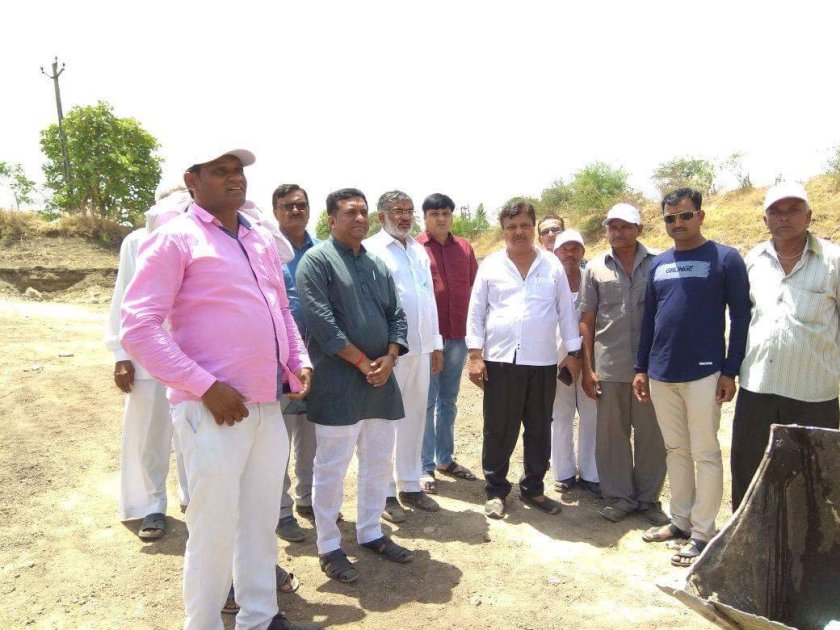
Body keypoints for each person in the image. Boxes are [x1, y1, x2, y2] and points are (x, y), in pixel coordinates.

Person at [121, 147, 316, 630]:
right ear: (192, 180)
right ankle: (203, 622)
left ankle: (260, 616)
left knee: (259, 519)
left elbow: (280, 310)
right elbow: (139, 327)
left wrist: (298, 360)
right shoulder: (175, 238)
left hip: (266, 405)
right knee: (212, 527)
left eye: (239, 171)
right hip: (212, 410)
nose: (235, 179)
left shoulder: (258, 237)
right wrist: (205, 387)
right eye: (220, 171)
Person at [296, 188, 414, 583]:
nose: (360, 218)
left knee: (378, 461)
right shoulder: (317, 261)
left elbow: (397, 315)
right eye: (351, 212)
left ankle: (370, 532)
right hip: (338, 382)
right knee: (331, 467)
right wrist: (364, 363)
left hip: (380, 381)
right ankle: (329, 545)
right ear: (332, 220)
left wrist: (391, 356)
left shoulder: (376, 264)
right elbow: (322, 323)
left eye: (364, 212)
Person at [633, 188, 750, 567]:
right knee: (676, 450)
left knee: (705, 452)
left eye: (685, 216)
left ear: (700, 216)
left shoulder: (726, 259)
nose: (678, 223)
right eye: (670, 218)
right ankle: (680, 521)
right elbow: (649, 321)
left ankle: (703, 532)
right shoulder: (659, 263)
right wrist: (640, 368)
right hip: (661, 372)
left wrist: (730, 370)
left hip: (704, 372)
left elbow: (741, 319)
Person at [466, 201, 582, 519]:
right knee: (498, 429)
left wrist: (573, 353)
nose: (519, 232)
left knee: (539, 428)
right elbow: (476, 311)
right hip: (501, 360)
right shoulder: (491, 265)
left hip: (542, 360)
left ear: (533, 227)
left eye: (525, 225)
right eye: (511, 226)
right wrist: (475, 355)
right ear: (503, 230)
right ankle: (496, 491)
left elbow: (565, 311)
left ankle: (533, 487)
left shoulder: (552, 265)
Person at [731, 182, 840, 509]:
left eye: (793, 209)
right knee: (749, 472)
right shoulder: (753, 260)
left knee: (814, 479)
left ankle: (811, 541)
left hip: (814, 393)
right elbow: (742, 319)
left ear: (809, 216)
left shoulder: (833, 260)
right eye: (775, 211)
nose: (784, 217)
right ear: (765, 220)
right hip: (758, 387)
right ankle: (746, 536)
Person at [104, 187, 191, 540]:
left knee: (192, 430)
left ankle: (192, 498)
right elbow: (123, 296)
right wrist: (120, 355)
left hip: (193, 355)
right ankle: (153, 504)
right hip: (147, 356)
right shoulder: (137, 241)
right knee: (150, 435)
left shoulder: (202, 238)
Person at [579, 203, 668, 525]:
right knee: (612, 437)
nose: (618, 232)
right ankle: (619, 498)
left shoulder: (660, 263)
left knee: (652, 435)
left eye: (625, 226)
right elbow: (587, 320)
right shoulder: (595, 268)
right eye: (612, 227)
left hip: (650, 367)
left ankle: (648, 499)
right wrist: (588, 369)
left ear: (639, 229)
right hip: (610, 364)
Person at [363, 191, 443, 522]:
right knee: (383, 424)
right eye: (398, 211)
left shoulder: (418, 249)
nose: (405, 217)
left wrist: (436, 343)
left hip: (421, 348)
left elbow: (428, 299)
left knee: (415, 418)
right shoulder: (371, 250)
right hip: (389, 352)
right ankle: (382, 493)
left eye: (409, 211)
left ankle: (410, 484)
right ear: (381, 216)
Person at [417, 193, 479, 493]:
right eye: (434, 214)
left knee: (449, 400)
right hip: (429, 339)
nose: (441, 218)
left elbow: (476, 289)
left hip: (459, 336)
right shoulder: (415, 248)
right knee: (427, 401)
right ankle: (423, 466)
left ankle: (445, 458)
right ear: (425, 217)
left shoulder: (464, 248)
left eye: (445, 213)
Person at [271, 184, 320, 543]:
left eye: (301, 205)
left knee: (311, 432)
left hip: (319, 357)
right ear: (275, 211)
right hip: (280, 360)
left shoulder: (321, 250)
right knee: (279, 439)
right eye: (287, 206)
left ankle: (308, 497)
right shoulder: (266, 248)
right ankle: (280, 510)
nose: (295, 211)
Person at [550, 230, 600, 496]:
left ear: (583, 252)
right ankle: (564, 473)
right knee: (561, 415)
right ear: (556, 253)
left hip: (589, 358)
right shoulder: (548, 281)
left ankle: (591, 473)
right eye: (564, 250)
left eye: (575, 249)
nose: (569, 254)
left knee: (592, 413)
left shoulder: (591, 280)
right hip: (558, 361)